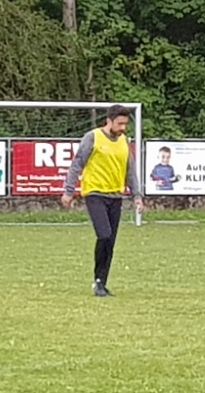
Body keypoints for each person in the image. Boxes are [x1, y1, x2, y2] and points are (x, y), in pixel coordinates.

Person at [61, 105, 144, 297]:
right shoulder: (93, 137)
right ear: (109, 121)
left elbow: (130, 171)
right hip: (95, 193)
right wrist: (69, 190)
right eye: (120, 123)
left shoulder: (124, 141)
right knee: (104, 235)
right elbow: (77, 163)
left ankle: (101, 282)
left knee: (110, 241)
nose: (123, 127)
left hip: (116, 196)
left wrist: (137, 195)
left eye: (125, 124)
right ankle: (98, 281)